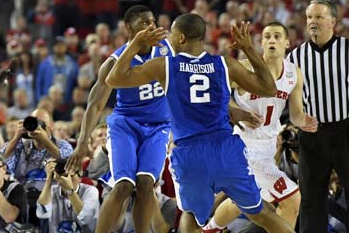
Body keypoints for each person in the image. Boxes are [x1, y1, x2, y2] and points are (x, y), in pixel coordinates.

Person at [105, 14, 294, 233]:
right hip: (226, 148)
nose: (169, 41)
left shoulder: (165, 66)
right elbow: (269, 88)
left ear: (181, 38)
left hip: (190, 152)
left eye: (172, 36)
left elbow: (114, 79)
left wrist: (135, 43)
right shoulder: (224, 63)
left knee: (192, 217)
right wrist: (249, 49)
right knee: (259, 212)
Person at [65, 5, 173, 233]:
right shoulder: (114, 62)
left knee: (146, 184)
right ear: (128, 28)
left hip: (159, 126)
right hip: (126, 124)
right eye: (143, 23)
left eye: (152, 21)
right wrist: (83, 142)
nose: (150, 26)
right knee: (124, 185)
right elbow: (95, 105)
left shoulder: (168, 50)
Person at [206, 22, 319, 231]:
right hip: (244, 144)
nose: (272, 40)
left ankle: (209, 229)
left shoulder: (294, 74)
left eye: (277, 36)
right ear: (261, 43)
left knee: (247, 198)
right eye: (267, 37)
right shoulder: (245, 68)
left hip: (268, 147)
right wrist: (236, 111)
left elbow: (294, 115)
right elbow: (214, 94)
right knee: (292, 198)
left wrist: (306, 121)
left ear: (287, 43)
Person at [286, 0, 349, 233]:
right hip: (312, 133)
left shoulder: (347, 49)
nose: (313, 22)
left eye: (319, 17)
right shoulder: (294, 58)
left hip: (345, 129)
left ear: (333, 21)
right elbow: (290, 102)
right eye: (310, 17)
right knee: (311, 199)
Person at [37, 159, 99, 233]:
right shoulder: (52, 190)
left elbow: (85, 217)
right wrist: (49, 180)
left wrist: (70, 190)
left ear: (80, 177)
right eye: (63, 175)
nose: (67, 179)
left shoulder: (91, 191)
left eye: (71, 176)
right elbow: (42, 212)